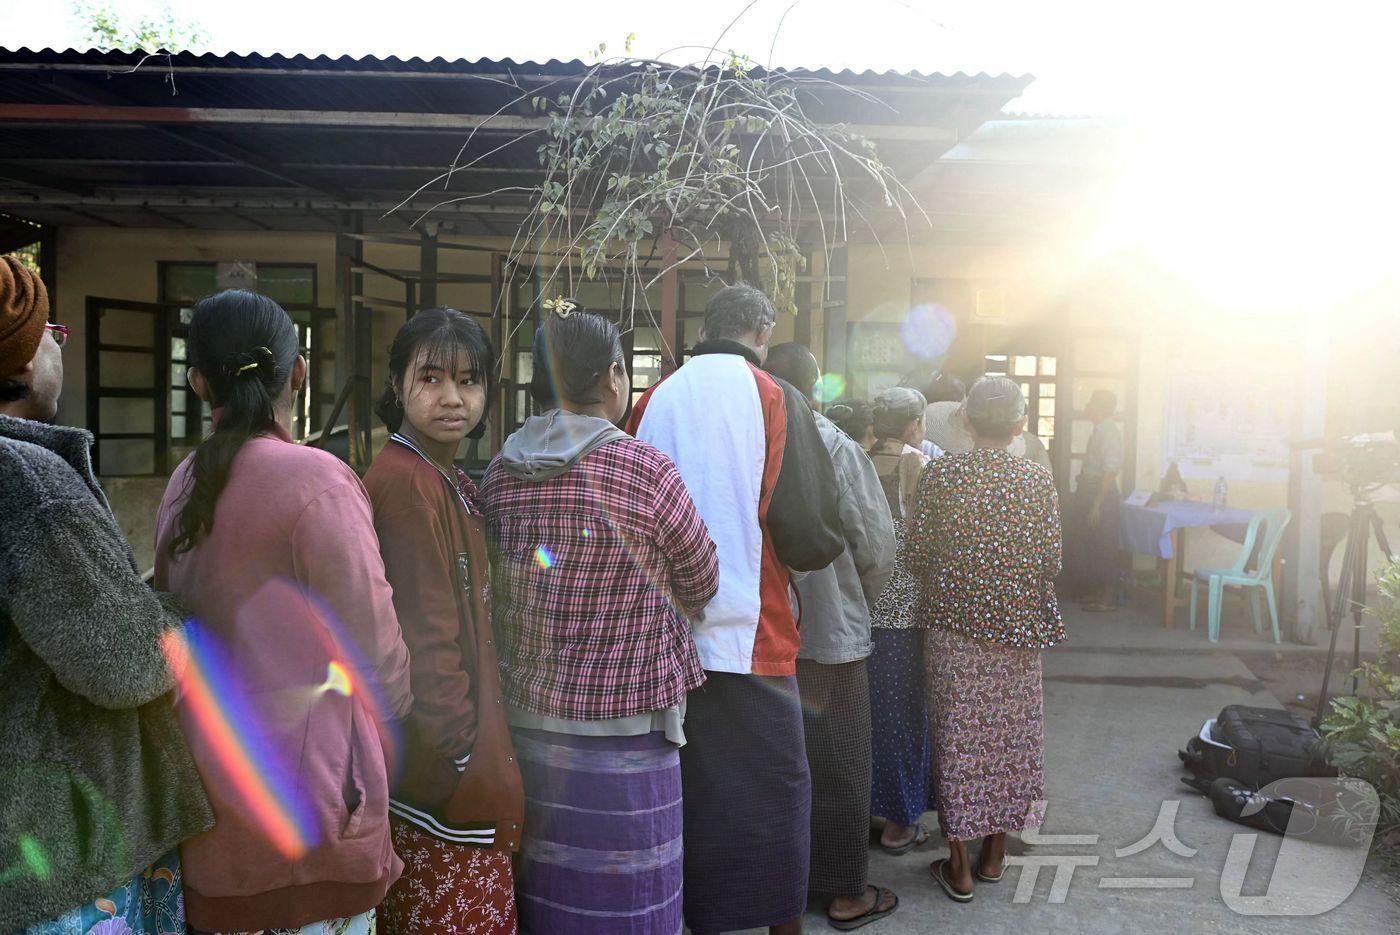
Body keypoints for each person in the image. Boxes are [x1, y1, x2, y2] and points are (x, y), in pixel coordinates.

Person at [154, 290, 412, 935]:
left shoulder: (184, 485)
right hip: (316, 822)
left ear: (196, 383)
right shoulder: (316, 480)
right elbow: (378, 657)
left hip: (210, 817)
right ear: (297, 374)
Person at [483, 306, 719, 934]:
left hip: (526, 726)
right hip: (628, 732)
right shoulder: (645, 471)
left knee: (545, 889)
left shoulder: (498, 475)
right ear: (614, 378)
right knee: (629, 899)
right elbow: (702, 580)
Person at [0, 256, 214, 934]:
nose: (61, 342)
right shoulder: (26, 480)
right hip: (59, 853)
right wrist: (184, 618)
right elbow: (122, 659)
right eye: (49, 329)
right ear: (22, 358)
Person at [627, 284, 843, 935]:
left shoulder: (652, 399)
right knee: (776, 794)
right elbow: (809, 531)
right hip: (753, 634)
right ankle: (781, 924)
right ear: (763, 331)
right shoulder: (775, 396)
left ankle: (700, 920)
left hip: (667, 641)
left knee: (691, 797)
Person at [363, 308, 522, 934]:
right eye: (430, 377)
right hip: (443, 766)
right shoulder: (406, 483)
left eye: (470, 379)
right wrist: (462, 752)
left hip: (454, 749)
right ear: (398, 384)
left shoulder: (437, 472)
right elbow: (425, 635)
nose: (453, 397)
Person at [907, 376, 1064, 903]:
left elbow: (918, 554)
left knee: (958, 737)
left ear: (966, 422)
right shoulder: (1036, 481)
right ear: (1021, 425)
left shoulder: (942, 476)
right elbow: (1051, 562)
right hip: (1018, 629)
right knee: (1008, 738)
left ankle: (960, 866)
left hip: (953, 626)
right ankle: (995, 852)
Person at [765, 344, 900, 930]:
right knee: (841, 761)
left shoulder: (747, 433)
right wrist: (857, 600)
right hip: (830, 632)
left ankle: (776, 888)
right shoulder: (836, 445)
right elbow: (876, 545)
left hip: (757, 639)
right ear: (815, 388)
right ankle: (844, 890)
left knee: (773, 764)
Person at [863, 386, 938, 855]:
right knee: (904, 716)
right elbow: (926, 541)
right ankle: (899, 820)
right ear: (913, 425)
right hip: (905, 612)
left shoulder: (854, 458)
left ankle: (865, 808)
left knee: (864, 714)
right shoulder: (920, 465)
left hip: (858, 609)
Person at [1069, 389, 1124, 611]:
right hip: (1090, 488)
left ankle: (1107, 598)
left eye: (1091, 403)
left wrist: (1097, 503)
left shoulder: (1109, 432)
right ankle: (1096, 592)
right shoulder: (1100, 430)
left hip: (1102, 492)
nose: (1087, 407)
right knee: (1091, 542)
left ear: (1100, 407)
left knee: (1104, 544)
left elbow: (1110, 471)